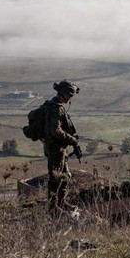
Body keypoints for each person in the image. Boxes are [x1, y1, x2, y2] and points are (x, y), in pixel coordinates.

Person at [43, 80, 82, 216]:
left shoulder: (56, 106)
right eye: (69, 95)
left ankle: (61, 203)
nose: (70, 98)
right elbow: (56, 131)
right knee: (55, 178)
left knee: (65, 176)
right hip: (55, 149)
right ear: (63, 93)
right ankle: (53, 208)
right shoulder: (55, 108)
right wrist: (72, 140)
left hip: (58, 149)